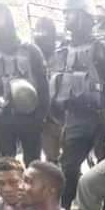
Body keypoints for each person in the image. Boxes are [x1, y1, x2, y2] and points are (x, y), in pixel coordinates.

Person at [51, 0, 105, 210]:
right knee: (68, 168)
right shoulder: (62, 50)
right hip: (75, 118)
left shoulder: (102, 49)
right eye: (64, 13)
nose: (66, 17)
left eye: (70, 13)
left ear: (84, 16)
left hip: (100, 117)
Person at [0, 2, 49, 167]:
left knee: (34, 166)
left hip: (30, 118)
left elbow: (44, 89)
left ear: (6, 19)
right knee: (5, 167)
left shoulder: (31, 50)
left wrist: (40, 119)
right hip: (2, 120)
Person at [33, 16, 62, 164]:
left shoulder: (63, 54)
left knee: (69, 160)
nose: (42, 39)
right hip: (45, 115)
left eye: (45, 35)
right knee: (51, 159)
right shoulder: (32, 56)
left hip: (64, 113)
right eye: (38, 34)